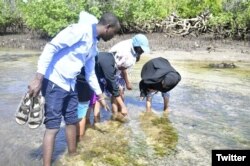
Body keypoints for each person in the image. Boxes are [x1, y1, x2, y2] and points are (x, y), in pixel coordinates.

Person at [28, 12, 121, 166]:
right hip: (54, 82)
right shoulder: (79, 31)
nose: (113, 36)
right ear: (107, 27)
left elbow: (90, 72)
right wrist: (38, 78)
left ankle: (73, 156)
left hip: (71, 84)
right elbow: (51, 47)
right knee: (53, 127)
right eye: (114, 33)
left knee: (72, 121)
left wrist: (100, 96)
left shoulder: (93, 44)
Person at [108, 34, 150, 116]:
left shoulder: (134, 46)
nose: (142, 51)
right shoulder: (125, 52)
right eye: (141, 50)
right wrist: (127, 82)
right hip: (112, 69)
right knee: (115, 93)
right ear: (137, 46)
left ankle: (121, 111)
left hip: (120, 67)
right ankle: (115, 115)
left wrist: (138, 55)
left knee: (121, 92)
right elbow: (121, 69)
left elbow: (133, 59)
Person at [86, 52, 128, 123]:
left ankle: (96, 122)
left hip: (96, 81)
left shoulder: (109, 62)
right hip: (89, 82)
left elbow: (109, 85)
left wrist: (102, 99)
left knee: (96, 100)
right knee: (87, 106)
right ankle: (86, 124)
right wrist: (123, 106)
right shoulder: (108, 63)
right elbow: (111, 83)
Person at [76, 67, 93, 141]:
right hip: (83, 84)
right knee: (81, 113)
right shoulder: (90, 56)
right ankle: (80, 137)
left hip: (67, 85)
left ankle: (75, 139)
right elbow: (92, 75)